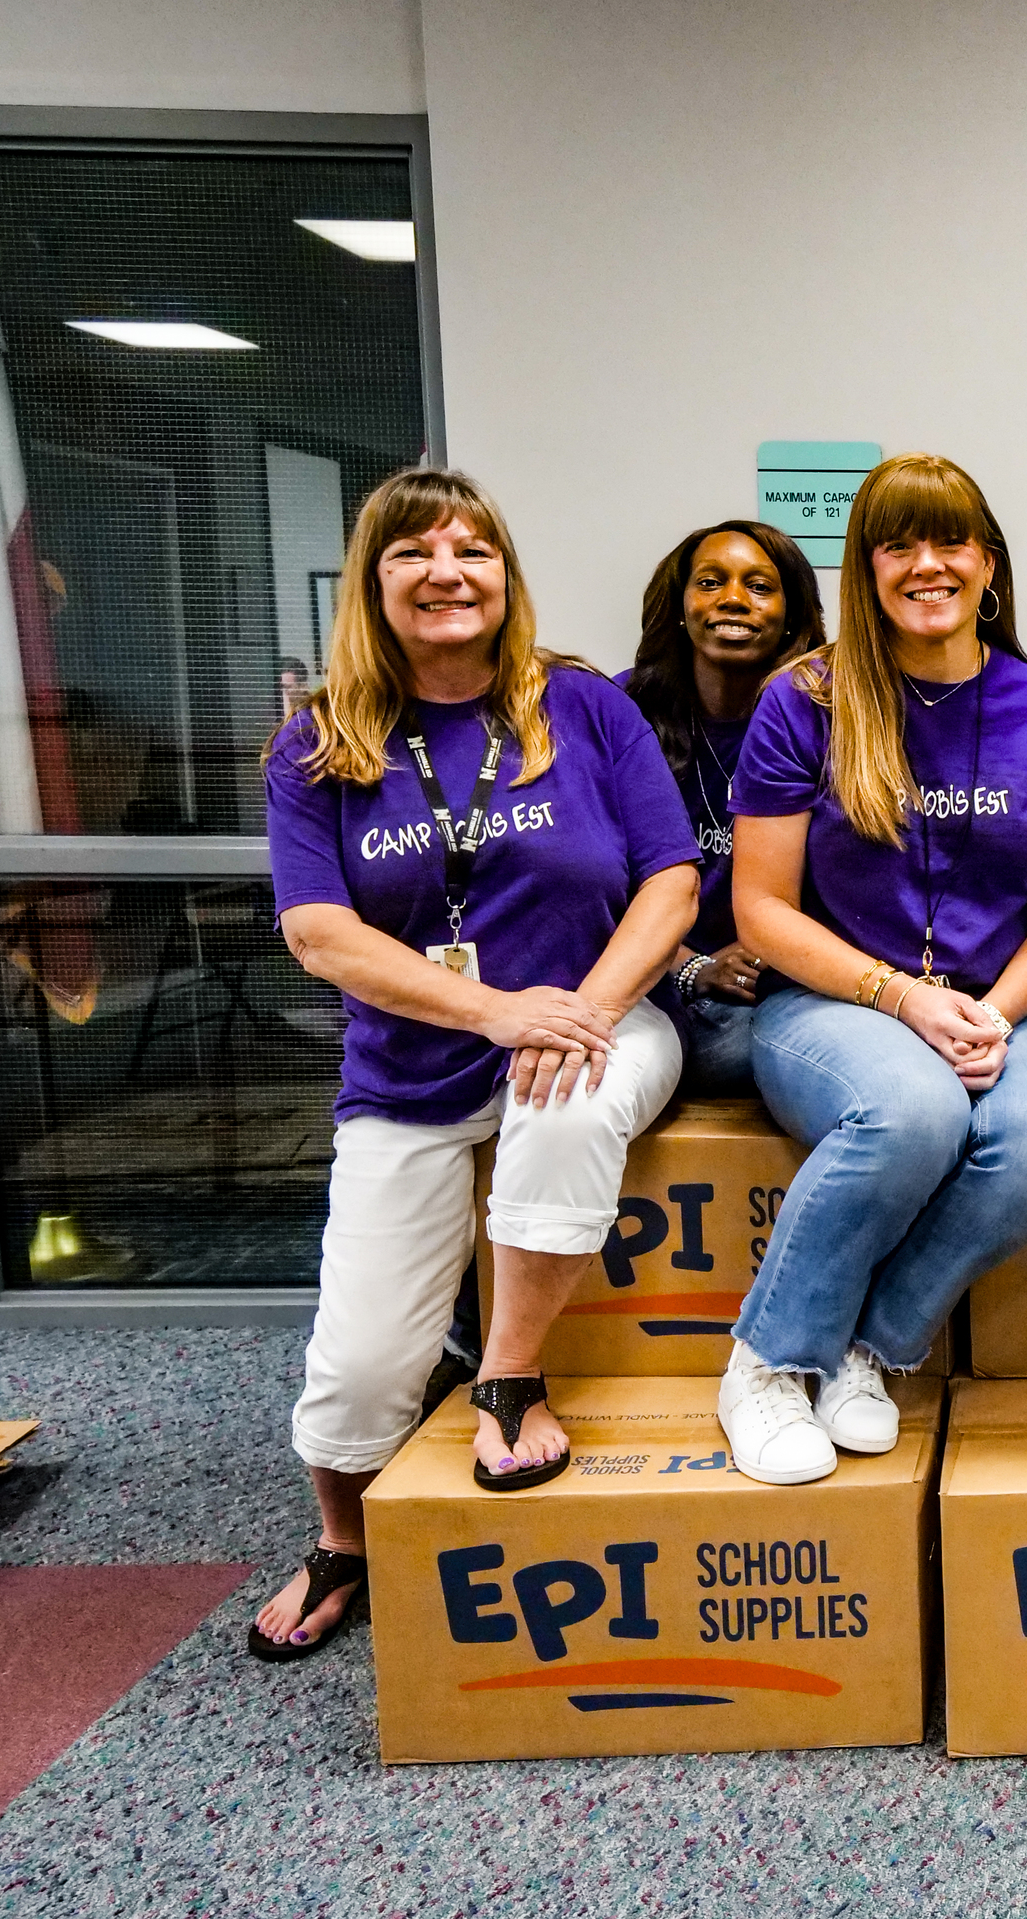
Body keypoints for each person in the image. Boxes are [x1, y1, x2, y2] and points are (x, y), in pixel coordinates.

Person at [252, 467, 700, 1661]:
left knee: (564, 1107)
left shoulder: (587, 708)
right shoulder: (316, 746)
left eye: (473, 551)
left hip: (603, 1023)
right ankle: (341, 1539)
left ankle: (509, 1379)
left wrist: (585, 1011)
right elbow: (319, 933)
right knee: (355, 1381)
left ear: (506, 576)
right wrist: (498, 1012)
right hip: (410, 1067)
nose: (447, 573)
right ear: (375, 581)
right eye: (414, 554)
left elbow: (671, 878)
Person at [717, 454, 1027, 1485]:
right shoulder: (806, 702)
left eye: (951, 541)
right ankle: (765, 1362)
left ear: (989, 564)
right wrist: (904, 999)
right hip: (832, 1000)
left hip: (997, 1005)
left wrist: (994, 1013)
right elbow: (758, 908)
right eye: (899, 543)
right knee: (915, 1111)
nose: (927, 565)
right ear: (866, 566)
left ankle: (862, 1347)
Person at [619, 519, 828, 1095]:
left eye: (760, 586)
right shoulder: (620, 713)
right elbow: (590, 880)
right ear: (680, 603)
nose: (733, 599)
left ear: (793, 612)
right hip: (653, 980)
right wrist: (690, 965)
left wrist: (779, 956)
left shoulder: (832, 716)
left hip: (794, 986)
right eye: (710, 582)